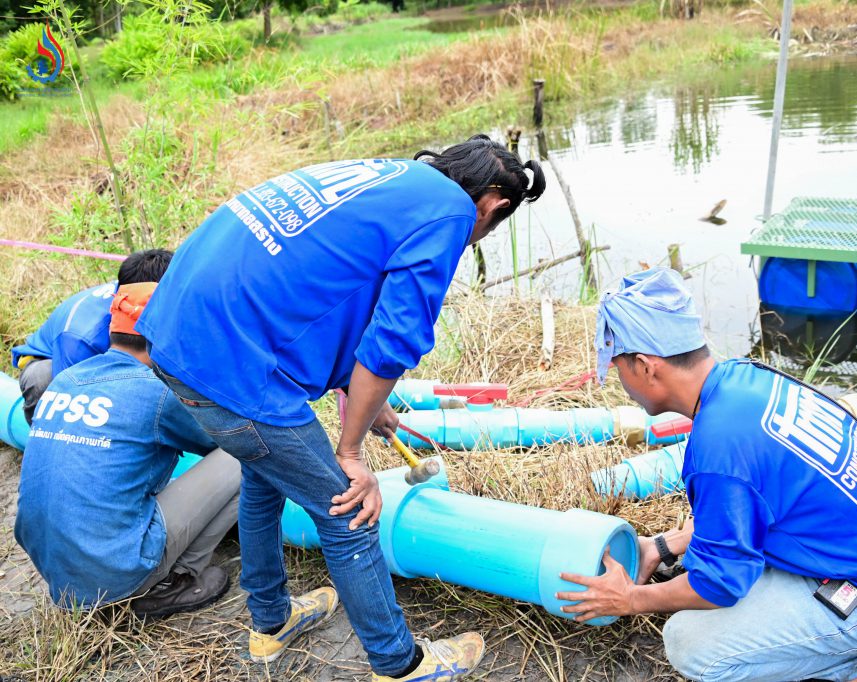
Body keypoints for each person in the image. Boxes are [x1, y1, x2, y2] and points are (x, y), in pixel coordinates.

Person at [135, 136, 546, 678]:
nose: (472, 242)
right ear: (494, 206)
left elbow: (323, 287)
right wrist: (350, 451)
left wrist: (361, 399)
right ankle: (399, 663)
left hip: (177, 333)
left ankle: (272, 622)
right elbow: (392, 341)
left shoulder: (392, 178)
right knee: (348, 509)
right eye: (486, 233)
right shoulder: (451, 211)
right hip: (230, 363)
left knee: (264, 474)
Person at [556, 267, 857, 682]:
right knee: (701, 564)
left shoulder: (719, 446)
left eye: (618, 366)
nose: (620, 381)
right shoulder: (746, 377)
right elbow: (751, 508)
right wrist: (659, 547)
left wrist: (631, 599)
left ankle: (850, 660)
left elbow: (719, 585)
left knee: (691, 643)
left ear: (645, 365)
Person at [15, 282, 241, 618]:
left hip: (54, 572)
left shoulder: (65, 378)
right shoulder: (155, 392)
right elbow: (221, 438)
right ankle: (172, 582)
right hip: (113, 573)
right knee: (243, 456)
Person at [12, 249, 173, 425]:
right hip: (55, 362)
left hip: (116, 356)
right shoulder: (80, 338)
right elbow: (69, 394)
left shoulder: (141, 287)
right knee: (41, 378)